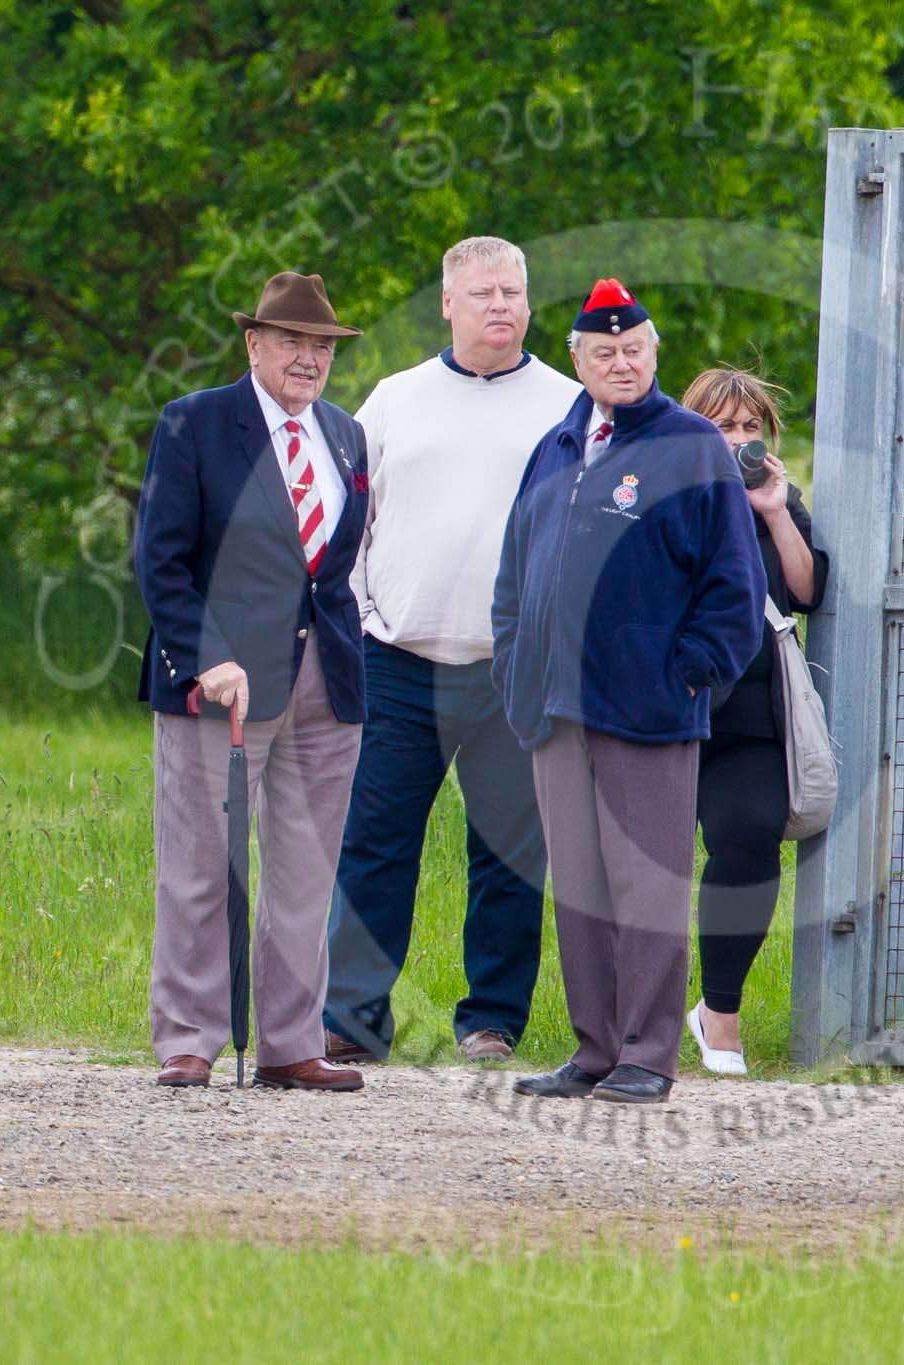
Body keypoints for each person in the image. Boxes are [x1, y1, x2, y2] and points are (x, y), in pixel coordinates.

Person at [494, 279, 766, 1105]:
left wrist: (686, 672)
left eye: (635, 349)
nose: (621, 361)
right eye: (604, 352)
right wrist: (515, 667)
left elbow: (734, 587)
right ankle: (595, 1047)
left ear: (655, 353)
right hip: (556, 707)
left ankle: (649, 1052)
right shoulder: (556, 444)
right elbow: (514, 572)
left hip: (648, 708)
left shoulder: (691, 447)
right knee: (579, 885)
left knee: (647, 886)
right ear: (578, 359)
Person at [322, 237, 579, 1064]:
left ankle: (492, 1019)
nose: (500, 305)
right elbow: (348, 516)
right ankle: (353, 1017)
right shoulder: (396, 400)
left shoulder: (569, 405)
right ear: (447, 302)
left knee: (509, 851)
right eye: (482, 292)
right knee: (374, 840)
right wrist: (361, 614)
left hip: (515, 668)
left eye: (512, 291)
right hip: (399, 659)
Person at [133, 271, 371, 1092]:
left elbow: (332, 571)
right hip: (222, 682)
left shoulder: (345, 435)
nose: (310, 359)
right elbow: (159, 560)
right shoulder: (196, 423)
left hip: (327, 680)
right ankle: (191, 1036)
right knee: (202, 862)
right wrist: (208, 654)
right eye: (293, 342)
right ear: (254, 344)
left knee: (306, 870)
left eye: (322, 347)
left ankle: (289, 1041)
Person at [678, 368, 828, 1076]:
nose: (737, 439)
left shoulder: (780, 501)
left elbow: (806, 590)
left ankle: (720, 1014)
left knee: (747, 842)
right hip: (669, 708)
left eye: (748, 428)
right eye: (721, 425)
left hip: (750, 717)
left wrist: (771, 510)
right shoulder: (661, 494)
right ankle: (625, 1019)